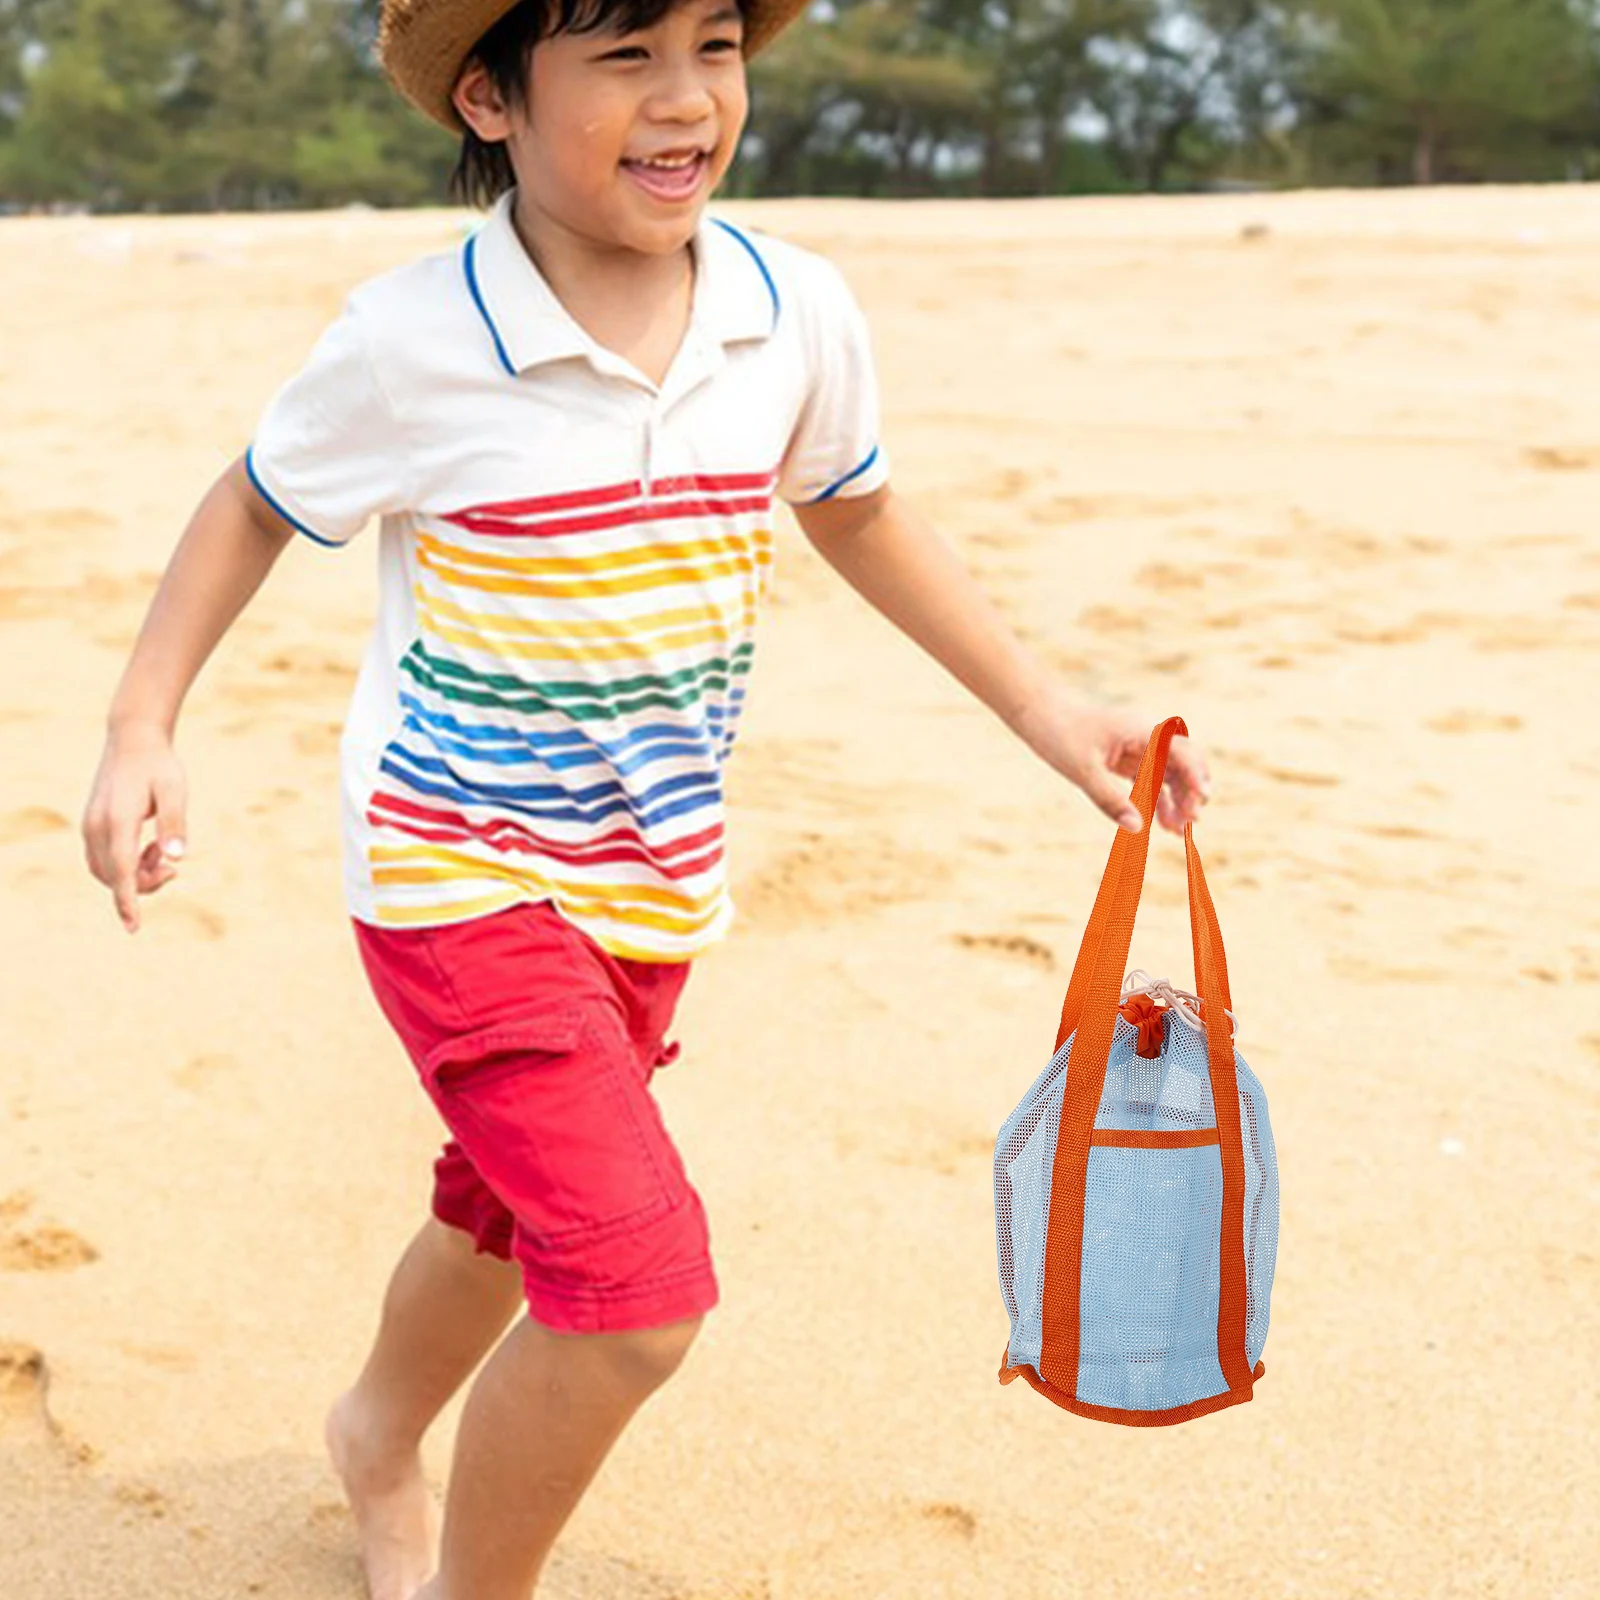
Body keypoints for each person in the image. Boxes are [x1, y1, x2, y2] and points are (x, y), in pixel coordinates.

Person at [79, 0, 1212, 1594]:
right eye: (623, 57)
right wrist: (144, 721)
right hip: (457, 876)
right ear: (490, 96)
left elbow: (860, 511)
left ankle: (376, 1436)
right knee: (634, 1295)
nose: (685, 100)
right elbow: (255, 504)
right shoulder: (417, 338)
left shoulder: (790, 309)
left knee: (495, 1219)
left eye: (715, 48)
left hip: (651, 875)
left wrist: (1045, 707)